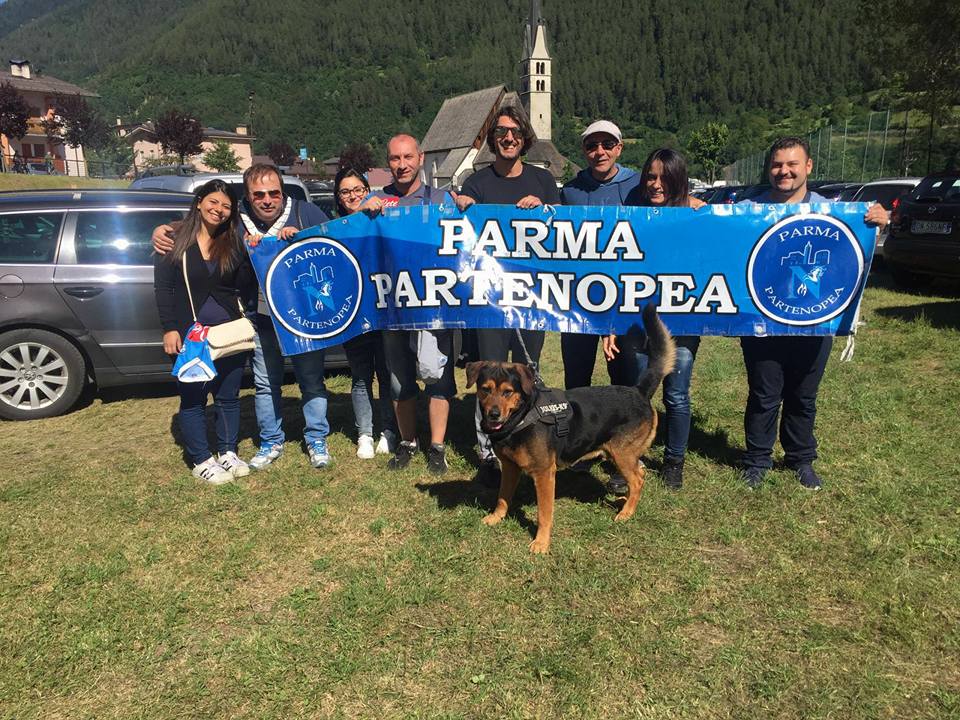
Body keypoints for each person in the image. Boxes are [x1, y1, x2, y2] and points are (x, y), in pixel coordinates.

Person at [153, 164, 333, 470]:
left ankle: (317, 438)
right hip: (258, 319)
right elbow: (199, 227)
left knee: (311, 380)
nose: (267, 200)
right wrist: (163, 230)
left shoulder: (306, 213)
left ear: (283, 192)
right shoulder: (236, 223)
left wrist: (302, 238)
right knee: (265, 384)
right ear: (247, 197)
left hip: (303, 319)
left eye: (274, 193)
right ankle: (271, 441)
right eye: (258, 194)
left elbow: (334, 242)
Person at [738, 137, 889, 490]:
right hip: (762, 321)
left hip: (814, 321)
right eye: (777, 164)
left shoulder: (831, 211)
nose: (784, 171)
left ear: (808, 167)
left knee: (803, 396)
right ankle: (757, 460)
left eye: (792, 164)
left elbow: (861, 239)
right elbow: (710, 227)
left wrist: (881, 220)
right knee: (763, 394)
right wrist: (693, 208)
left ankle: (800, 459)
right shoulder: (747, 210)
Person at [453, 104, 561, 484]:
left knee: (527, 374)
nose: (508, 138)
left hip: (533, 297)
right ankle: (489, 452)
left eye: (515, 132)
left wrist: (545, 210)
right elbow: (460, 233)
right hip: (489, 299)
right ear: (492, 139)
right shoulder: (476, 182)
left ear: (525, 138)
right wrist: (463, 208)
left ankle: (528, 441)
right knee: (491, 372)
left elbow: (564, 234)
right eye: (501, 132)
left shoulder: (543, 180)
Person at [601, 148, 707, 490]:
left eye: (665, 178)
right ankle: (629, 459)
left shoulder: (697, 216)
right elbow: (615, 273)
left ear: (679, 180)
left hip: (680, 326)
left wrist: (702, 212)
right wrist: (610, 326)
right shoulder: (631, 216)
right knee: (637, 394)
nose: (656, 184)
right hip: (635, 323)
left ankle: (674, 461)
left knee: (676, 395)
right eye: (650, 177)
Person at [360, 134, 457, 474]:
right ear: (387, 161)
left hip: (433, 306)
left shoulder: (442, 199)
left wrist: (467, 205)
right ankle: (407, 442)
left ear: (420, 157)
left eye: (407, 157)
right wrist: (362, 215)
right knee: (399, 379)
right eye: (394, 158)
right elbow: (354, 240)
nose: (402, 165)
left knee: (438, 377)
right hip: (393, 307)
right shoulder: (376, 201)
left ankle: (437, 447)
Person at [154, 180, 255, 484]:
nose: (219, 210)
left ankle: (227, 451)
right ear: (199, 202)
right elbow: (163, 288)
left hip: (228, 334)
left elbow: (244, 284)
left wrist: (251, 252)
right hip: (192, 337)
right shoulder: (174, 240)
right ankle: (201, 459)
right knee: (193, 399)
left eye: (226, 206)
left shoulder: (233, 242)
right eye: (213, 202)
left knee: (228, 397)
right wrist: (170, 328)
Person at [334, 165, 399, 458]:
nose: (352, 196)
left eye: (358, 189)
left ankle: (388, 430)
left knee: (386, 373)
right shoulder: (332, 227)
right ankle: (364, 433)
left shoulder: (380, 217)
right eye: (345, 191)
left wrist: (372, 206)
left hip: (383, 310)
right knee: (360, 376)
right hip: (352, 313)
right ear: (338, 196)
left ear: (367, 190)